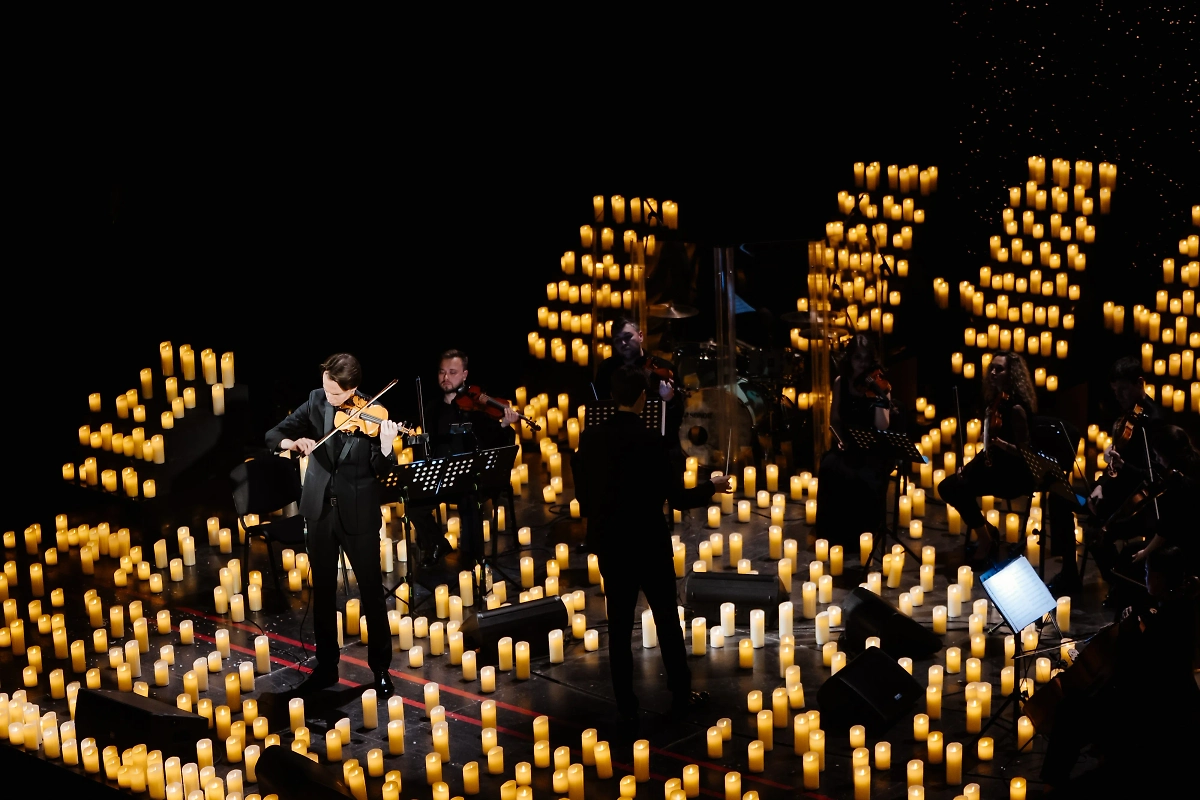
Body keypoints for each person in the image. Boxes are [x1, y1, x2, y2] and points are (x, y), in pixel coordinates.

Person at [573, 364, 732, 724]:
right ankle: (680, 692)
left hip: (613, 545)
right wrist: (713, 485)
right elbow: (677, 499)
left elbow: (584, 494)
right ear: (644, 398)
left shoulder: (592, 439)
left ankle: (626, 705)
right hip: (648, 542)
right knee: (666, 621)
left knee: (618, 626)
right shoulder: (651, 441)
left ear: (613, 397)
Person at [266, 353, 401, 697]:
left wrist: (385, 447)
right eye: (327, 390)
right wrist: (292, 443)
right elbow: (275, 433)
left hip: (358, 515)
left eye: (337, 395)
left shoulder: (373, 415)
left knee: (371, 592)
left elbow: (385, 475)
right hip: (319, 511)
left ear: (353, 389)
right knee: (323, 592)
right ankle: (326, 666)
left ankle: (381, 669)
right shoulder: (315, 400)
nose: (330, 399)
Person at [1040, 545, 1199, 796]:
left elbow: (1141, 669)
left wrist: (1128, 632)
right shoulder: (1178, 605)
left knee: (1071, 710)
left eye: (1147, 573)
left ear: (1159, 577)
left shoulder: (1171, 617)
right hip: (1162, 700)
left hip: (1152, 712)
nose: (1145, 579)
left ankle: (1052, 786)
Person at [410, 349, 518, 570]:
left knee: (469, 498)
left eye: (452, 372)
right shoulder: (431, 409)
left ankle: (472, 558)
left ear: (465, 374)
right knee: (413, 504)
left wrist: (505, 425)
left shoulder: (477, 408)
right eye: (442, 372)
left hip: (473, 477)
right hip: (442, 475)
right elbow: (425, 447)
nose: (446, 378)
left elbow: (495, 445)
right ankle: (438, 544)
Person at [938, 352, 1038, 566]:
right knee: (949, 486)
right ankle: (986, 531)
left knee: (957, 488)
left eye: (999, 369)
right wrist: (969, 467)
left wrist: (999, 443)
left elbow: (1026, 454)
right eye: (991, 368)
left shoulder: (1016, 408)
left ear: (1012, 374)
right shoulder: (996, 402)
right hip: (995, 467)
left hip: (1014, 475)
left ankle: (985, 540)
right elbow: (987, 449)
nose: (992, 372)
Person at [815, 332, 900, 548]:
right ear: (849, 359)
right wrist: (839, 439)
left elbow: (882, 426)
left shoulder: (880, 385)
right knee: (828, 466)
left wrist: (880, 397)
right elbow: (834, 420)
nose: (862, 364)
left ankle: (859, 536)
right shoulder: (840, 382)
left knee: (860, 475)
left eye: (866, 359)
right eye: (857, 358)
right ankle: (834, 533)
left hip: (874, 448)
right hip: (849, 444)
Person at [593, 316, 685, 443]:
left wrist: (669, 399)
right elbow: (600, 407)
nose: (623, 343)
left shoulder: (664, 368)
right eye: (617, 340)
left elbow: (679, 415)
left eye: (627, 337)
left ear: (640, 336)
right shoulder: (606, 369)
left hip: (655, 441)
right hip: (617, 440)